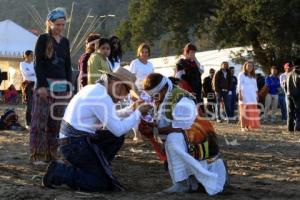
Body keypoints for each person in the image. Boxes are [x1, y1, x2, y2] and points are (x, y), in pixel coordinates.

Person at [42, 67, 150, 192]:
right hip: (74, 144)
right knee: (100, 184)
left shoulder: (95, 90)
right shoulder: (102, 97)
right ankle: (60, 172)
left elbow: (110, 117)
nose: (124, 97)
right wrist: (137, 113)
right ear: (118, 85)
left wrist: (131, 110)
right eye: (126, 92)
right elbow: (118, 129)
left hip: (72, 141)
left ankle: (93, 169)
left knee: (114, 139)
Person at [140, 73, 227, 195]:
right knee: (173, 143)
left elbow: (179, 127)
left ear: (164, 88)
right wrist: (151, 125)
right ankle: (188, 181)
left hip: (196, 137)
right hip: (186, 138)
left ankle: (182, 183)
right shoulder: (163, 96)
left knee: (173, 140)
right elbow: (163, 120)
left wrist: (155, 130)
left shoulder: (182, 99)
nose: (153, 99)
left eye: (155, 95)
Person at [30, 8, 72, 165]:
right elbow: (38, 63)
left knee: (56, 122)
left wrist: (69, 87)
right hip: (45, 86)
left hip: (61, 87)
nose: (60, 28)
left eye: (63, 25)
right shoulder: (43, 39)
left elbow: (67, 65)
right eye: (58, 24)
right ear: (50, 23)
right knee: (40, 121)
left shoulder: (65, 41)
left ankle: (51, 153)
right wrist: (40, 85)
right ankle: (37, 154)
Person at [129, 43, 154, 141]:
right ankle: (136, 134)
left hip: (147, 92)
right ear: (139, 53)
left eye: (146, 52)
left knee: (146, 113)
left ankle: (143, 133)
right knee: (135, 113)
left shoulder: (150, 64)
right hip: (136, 90)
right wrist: (132, 92)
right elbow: (130, 78)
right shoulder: (135, 63)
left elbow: (152, 78)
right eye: (142, 52)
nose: (144, 54)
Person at [237, 61, 261, 131]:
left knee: (250, 112)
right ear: (245, 66)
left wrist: (257, 95)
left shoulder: (253, 76)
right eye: (248, 66)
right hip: (245, 96)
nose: (250, 67)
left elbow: (255, 86)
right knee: (244, 111)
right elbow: (239, 85)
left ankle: (249, 126)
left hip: (252, 96)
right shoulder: (241, 74)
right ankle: (243, 126)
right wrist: (240, 94)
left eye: (251, 66)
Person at [20, 50, 36, 129]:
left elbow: (35, 73)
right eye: (31, 55)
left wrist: (32, 73)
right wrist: (33, 73)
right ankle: (28, 123)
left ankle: (33, 121)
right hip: (27, 85)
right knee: (29, 104)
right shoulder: (22, 64)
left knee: (35, 104)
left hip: (36, 84)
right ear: (27, 56)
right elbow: (26, 74)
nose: (32, 57)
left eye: (33, 55)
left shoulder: (34, 64)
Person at [285, 59, 300, 132]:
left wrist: (287, 92)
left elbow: (285, 85)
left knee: (290, 112)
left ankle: (290, 128)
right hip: (297, 95)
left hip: (288, 95)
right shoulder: (298, 73)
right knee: (298, 111)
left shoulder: (288, 74)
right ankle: (298, 127)